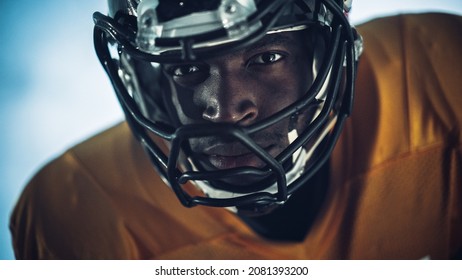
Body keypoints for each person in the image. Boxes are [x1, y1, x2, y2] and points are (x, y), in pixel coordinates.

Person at [10, 0, 462, 259]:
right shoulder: (78, 213)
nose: (224, 109)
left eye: (265, 58)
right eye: (186, 66)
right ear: (145, 79)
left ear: (324, 53)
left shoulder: (440, 77)